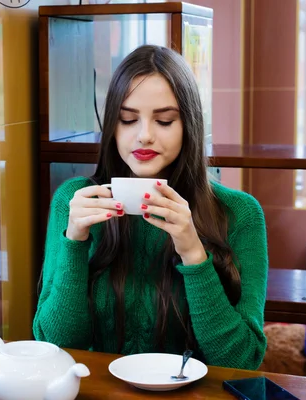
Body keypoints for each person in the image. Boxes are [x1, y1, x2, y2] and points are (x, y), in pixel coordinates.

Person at [33, 45, 268, 370]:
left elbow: (242, 362)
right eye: (127, 119)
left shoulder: (239, 213)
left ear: (189, 125)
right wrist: (74, 242)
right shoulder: (74, 201)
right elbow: (54, 346)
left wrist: (194, 254)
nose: (144, 135)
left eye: (164, 120)